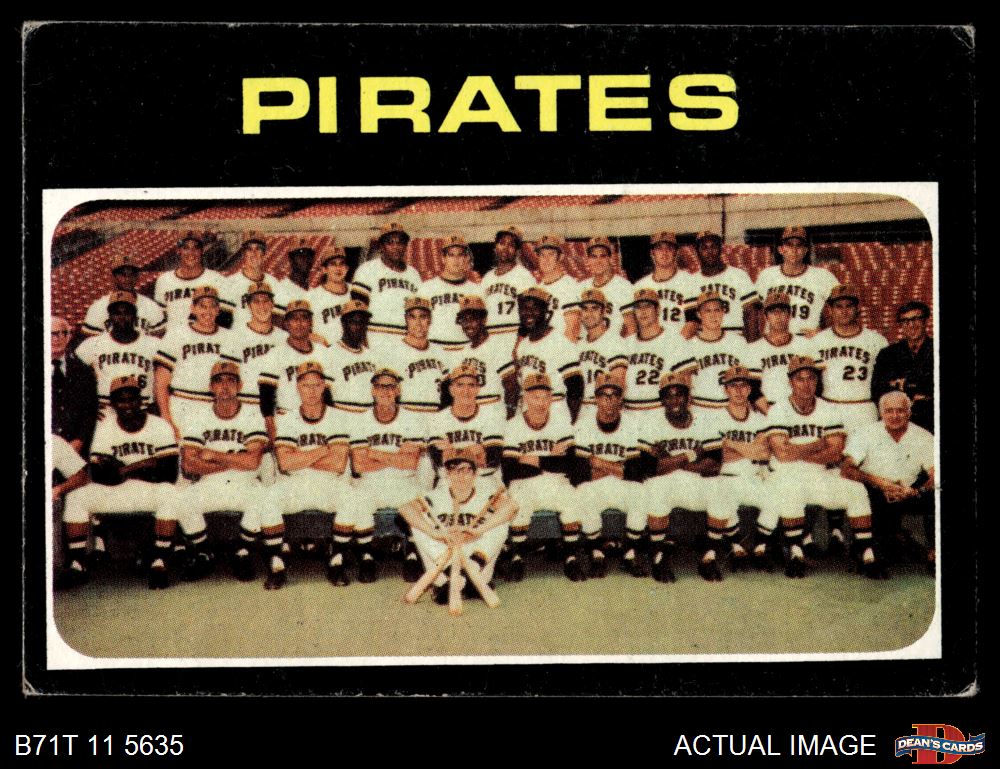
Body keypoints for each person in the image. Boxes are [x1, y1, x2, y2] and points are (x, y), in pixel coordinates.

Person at [765, 355, 885, 579]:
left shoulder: (829, 409)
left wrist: (799, 451)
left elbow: (836, 452)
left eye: (811, 378)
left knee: (856, 490)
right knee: (790, 490)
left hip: (821, 474)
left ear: (817, 381)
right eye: (800, 379)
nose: (806, 384)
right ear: (790, 382)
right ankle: (795, 552)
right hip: (785, 474)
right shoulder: (778, 409)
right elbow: (781, 454)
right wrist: (818, 444)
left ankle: (866, 552)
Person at [60, 375, 179, 589]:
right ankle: (77, 563)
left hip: (148, 490)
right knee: (77, 496)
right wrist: (145, 464)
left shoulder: (159, 426)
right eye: (121, 400)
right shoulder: (105, 427)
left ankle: (159, 561)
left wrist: (121, 468)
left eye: (132, 399)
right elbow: (100, 474)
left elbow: (169, 472)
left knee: (170, 493)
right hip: (116, 491)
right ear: (113, 404)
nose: (127, 405)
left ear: (140, 400)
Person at [161, 361, 269, 583]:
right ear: (211, 387)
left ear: (240, 385)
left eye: (231, 381)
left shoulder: (252, 414)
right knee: (181, 499)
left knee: (264, 497)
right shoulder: (198, 416)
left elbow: (253, 462)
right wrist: (233, 459)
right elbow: (189, 464)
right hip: (209, 482)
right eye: (219, 381)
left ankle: (243, 551)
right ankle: (203, 552)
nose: (225, 386)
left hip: (244, 482)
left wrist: (213, 454)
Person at [266, 361, 353, 589]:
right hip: (296, 484)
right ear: (298, 387)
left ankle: (337, 561)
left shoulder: (338, 417)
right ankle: (276, 564)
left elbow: (338, 464)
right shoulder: (287, 419)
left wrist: (301, 457)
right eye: (306, 385)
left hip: (328, 483)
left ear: (324, 386)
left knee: (353, 498)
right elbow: (285, 463)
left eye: (316, 385)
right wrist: (323, 450)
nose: (312, 391)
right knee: (267, 497)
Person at [631, 372, 723, 582]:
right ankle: (658, 556)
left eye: (679, 394)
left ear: (688, 397)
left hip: (695, 483)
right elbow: (649, 469)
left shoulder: (704, 420)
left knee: (720, 489)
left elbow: (714, 465)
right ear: (661, 399)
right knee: (654, 486)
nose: (674, 401)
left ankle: (708, 557)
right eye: (668, 395)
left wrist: (671, 460)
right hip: (665, 483)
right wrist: (690, 455)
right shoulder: (651, 422)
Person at [398, 446, 517, 605]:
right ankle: (458, 578)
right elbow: (405, 509)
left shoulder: (486, 495)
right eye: (455, 470)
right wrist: (436, 534)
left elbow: (512, 507)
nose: (461, 476)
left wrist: (477, 530)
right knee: (419, 526)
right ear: (447, 474)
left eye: (466, 470)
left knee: (500, 523)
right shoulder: (436, 496)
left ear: (475, 474)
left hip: (476, 557)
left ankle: (468, 573)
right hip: (444, 557)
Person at [501, 372, 585, 581]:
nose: (540, 403)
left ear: (551, 399)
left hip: (555, 482)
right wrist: (550, 459)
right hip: (523, 483)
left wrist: (532, 459)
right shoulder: (513, 425)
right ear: (525, 398)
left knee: (572, 500)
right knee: (518, 503)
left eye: (545, 397)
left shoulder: (561, 423)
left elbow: (572, 464)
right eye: (535, 397)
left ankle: (571, 557)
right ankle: (517, 557)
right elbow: (510, 470)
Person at [348, 368, 429, 584]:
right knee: (358, 500)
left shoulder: (412, 419)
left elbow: (411, 463)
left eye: (391, 386)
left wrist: (374, 453)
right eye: (380, 386)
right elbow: (359, 464)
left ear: (398, 390)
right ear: (373, 391)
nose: (386, 391)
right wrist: (396, 456)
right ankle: (367, 557)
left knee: (418, 501)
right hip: (370, 482)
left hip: (404, 481)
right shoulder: (360, 420)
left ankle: (412, 555)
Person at [841, 391, 935, 574]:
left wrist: (917, 491)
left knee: (938, 495)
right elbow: (846, 469)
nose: (894, 416)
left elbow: (936, 473)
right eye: (889, 411)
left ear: (909, 412)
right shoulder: (865, 433)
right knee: (881, 558)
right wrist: (880, 483)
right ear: (880, 412)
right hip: (876, 491)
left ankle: (934, 553)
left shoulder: (923, 436)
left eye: (900, 410)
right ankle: (888, 541)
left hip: (909, 491)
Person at [705, 365, 777, 571]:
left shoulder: (760, 418)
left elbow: (765, 453)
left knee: (778, 498)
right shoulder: (715, 417)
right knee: (722, 499)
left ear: (749, 389)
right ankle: (736, 545)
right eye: (733, 386)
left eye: (743, 385)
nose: (738, 390)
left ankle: (760, 546)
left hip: (755, 476)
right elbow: (718, 456)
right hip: (726, 476)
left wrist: (730, 443)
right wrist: (750, 449)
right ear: (725, 389)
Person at [572, 372, 644, 578]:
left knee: (640, 492)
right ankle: (597, 552)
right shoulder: (583, 424)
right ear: (596, 398)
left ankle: (629, 552)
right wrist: (618, 467)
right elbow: (580, 473)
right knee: (583, 491)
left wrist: (598, 463)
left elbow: (636, 472)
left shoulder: (632, 423)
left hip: (619, 483)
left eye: (614, 395)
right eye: (604, 395)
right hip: (597, 483)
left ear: (621, 398)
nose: (609, 400)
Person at [153, 285, 240, 438]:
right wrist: (166, 418)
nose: (208, 312)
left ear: (218, 310)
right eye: (202, 306)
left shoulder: (231, 338)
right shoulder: (176, 335)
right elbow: (161, 382)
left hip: (217, 406)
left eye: (212, 306)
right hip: (182, 404)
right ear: (193, 308)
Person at [809, 284, 888, 435]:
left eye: (849, 306)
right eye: (838, 306)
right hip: (829, 405)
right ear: (830, 310)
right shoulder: (818, 341)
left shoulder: (877, 341)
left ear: (858, 308)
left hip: (864, 408)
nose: (844, 311)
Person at [75, 291, 159, 410]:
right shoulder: (92, 344)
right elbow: (73, 376)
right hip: (105, 407)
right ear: (110, 317)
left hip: (143, 407)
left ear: (135, 316)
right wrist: (89, 404)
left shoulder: (154, 344)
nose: (122, 318)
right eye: (117, 313)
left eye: (127, 313)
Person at [511, 286, 583, 422]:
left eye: (535, 308)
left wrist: (571, 422)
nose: (529, 313)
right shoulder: (523, 345)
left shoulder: (560, 342)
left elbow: (576, 388)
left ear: (545, 311)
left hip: (554, 414)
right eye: (524, 308)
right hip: (528, 414)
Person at [672, 291, 754, 411]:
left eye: (717, 310)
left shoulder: (738, 342)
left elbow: (749, 380)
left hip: (732, 409)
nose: (713, 315)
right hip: (701, 408)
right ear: (699, 314)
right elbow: (684, 386)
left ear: (723, 312)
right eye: (707, 311)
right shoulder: (689, 345)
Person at [754, 226, 839, 338]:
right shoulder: (766, 275)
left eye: (799, 245)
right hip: (775, 341)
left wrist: (824, 332)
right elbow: (753, 312)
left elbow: (845, 309)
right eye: (789, 245)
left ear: (805, 250)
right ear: (780, 249)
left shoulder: (823, 276)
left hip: (806, 339)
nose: (794, 250)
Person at [228, 280, 287, 440]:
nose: (262, 306)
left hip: (277, 409)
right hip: (246, 407)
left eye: (266, 301)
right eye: (256, 301)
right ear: (248, 305)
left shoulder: (284, 337)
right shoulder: (235, 337)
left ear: (273, 304)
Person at [258, 298, 334, 418]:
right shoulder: (275, 354)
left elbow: (328, 394)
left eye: (304, 318)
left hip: (317, 417)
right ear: (286, 324)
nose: (299, 323)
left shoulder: (322, 352)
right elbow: (266, 396)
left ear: (311, 322)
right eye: (294, 318)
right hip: (286, 416)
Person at [446, 295, 518, 416]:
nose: (468, 325)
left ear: (483, 319)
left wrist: (508, 417)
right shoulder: (463, 352)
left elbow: (512, 388)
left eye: (473, 319)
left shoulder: (497, 347)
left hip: (492, 412)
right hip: (469, 414)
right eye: (464, 320)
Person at [872, 301, 934, 433]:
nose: (911, 325)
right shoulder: (888, 354)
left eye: (916, 319)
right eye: (905, 321)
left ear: (926, 321)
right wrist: (919, 391)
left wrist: (903, 385)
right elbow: (878, 389)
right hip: (897, 422)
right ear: (900, 325)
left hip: (931, 422)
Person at [685, 230, 759, 340]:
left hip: (734, 336)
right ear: (697, 252)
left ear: (721, 249)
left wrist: (751, 344)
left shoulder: (738, 275)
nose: (709, 251)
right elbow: (691, 321)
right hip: (705, 340)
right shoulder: (692, 281)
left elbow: (751, 313)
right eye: (704, 248)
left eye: (713, 246)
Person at [352, 223, 422, 338]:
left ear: (405, 246)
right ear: (381, 247)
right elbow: (357, 310)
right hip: (375, 335)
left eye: (400, 242)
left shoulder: (414, 274)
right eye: (390, 242)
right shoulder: (366, 269)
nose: (396, 247)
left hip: (405, 337)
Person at [747, 290, 811, 413]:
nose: (778, 316)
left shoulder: (804, 345)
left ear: (790, 315)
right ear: (766, 317)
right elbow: (753, 390)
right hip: (768, 409)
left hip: (800, 409)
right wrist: (771, 414)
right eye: (773, 312)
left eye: (782, 311)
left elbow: (815, 384)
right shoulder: (755, 348)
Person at [153, 232, 233, 330]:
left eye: (196, 248)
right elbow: (159, 320)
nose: (191, 252)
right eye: (186, 248)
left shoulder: (217, 279)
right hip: (174, 337)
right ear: (178, 251)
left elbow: (227, 321)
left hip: (205, 337)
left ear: (202, 251)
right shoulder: (164, 280)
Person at [626, 230, 699, 337]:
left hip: (680, 343)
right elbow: (632, 324)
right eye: (659, 248)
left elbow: (693, 322)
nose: (664, 252)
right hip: (649, 344)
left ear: (676, 252)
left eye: (669, 248)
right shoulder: (640, 286)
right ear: (652, 253)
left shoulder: (688, 281)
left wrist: (676, 344)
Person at [385, 296, 449, 414]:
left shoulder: (440, 352)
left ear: (430, 319)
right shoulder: (394, 352)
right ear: (406, 319)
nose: (418, 323)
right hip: (407, 418)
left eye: (423, 317)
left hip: (434, 418)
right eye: (412, 317)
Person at [81, 252, 166, 337]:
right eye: (122, 274)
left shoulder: (151, 307)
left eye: (131, 274)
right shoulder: (97, 308)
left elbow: (157, 341)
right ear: (113, 277)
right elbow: (92, 343)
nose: (127, 278)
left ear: (137, 277)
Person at [424, 235, 483, 348]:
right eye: (451, 255)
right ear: (443, 258)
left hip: (466, 348)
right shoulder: (427, 288)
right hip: (435, 347)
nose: (456, 260)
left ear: (466, 258)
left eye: (460, 255)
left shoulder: (476, 290)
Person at [51, 315, 98, 454]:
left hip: (75, 447)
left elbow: (90, 411)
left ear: (69, 336)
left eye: (64, 333)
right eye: (53, 333)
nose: (58, 338)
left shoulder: (83, 370)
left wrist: (79, 440)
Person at [621, 288, 671, 412]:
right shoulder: (625, 344)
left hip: (660, 411)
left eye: (647, 306)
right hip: (629, 412)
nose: (643, 311)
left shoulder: (673, 341)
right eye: (638, 307)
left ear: (658, 310)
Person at [479, 226, 534, 336]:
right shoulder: (487, 278)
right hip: (490, 336)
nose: (505, 248)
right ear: (495, 247)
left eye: (511, 245)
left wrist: (521, 340)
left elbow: (530, 314)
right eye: (502, 243)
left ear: (517, 251)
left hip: (514, 333)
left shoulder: (524, 276)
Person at [577, 288, 628, 406]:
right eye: (585, 309)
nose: (589, 314)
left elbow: (618, 388)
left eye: (594, 308)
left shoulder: (615, 343)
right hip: (581, 408)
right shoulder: (578, 345)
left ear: (604, 311)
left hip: (602, 407)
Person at [329, 299, 382, 412]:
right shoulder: (330, 353)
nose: (358, 327)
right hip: (344, 416)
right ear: (343, 323)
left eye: (362, 322)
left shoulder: (372, 356)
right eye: (353, 322)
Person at [532, 233, 582, 341]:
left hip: (562, 348)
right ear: (537, 258)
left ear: (560, 257)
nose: (546, 259)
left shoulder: (569, 285)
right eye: (542, 255)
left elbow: (573, 329)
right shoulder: (537, 290)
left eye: (551, 254)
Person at [579, 236, 633, 337]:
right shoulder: (581, 287)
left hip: (612, 344)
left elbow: (631, 327)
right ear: (588, 260)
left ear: (610, 258)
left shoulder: (623, 286)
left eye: (603, 256)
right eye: (594, 256)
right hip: (586, 344)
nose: (598, 261)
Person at [310, 245, 359, 344]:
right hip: (326, 349)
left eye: (341, 264)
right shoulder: (312, 296)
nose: (338, 268)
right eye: (333, 264)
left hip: (352, 349)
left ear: (347, 268)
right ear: (324, 269)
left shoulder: (356, 291)